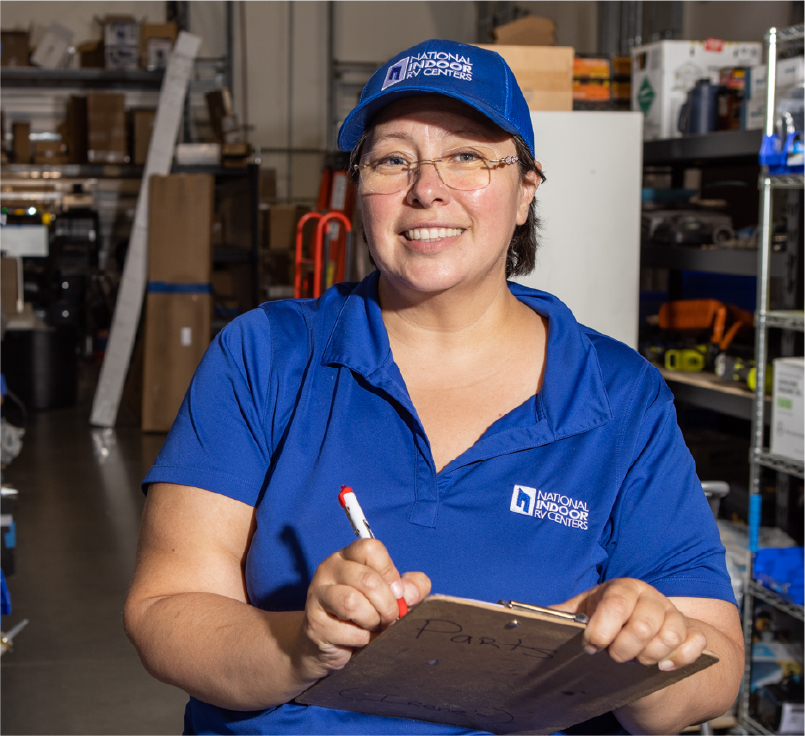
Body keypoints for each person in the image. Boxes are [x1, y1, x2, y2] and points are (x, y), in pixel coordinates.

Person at [124, 39, 744, 735]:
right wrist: (301, 645)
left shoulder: (618, 395)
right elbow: (166, 609)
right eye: (392, 159)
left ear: (524, 191)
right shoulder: (265, 355)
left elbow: (715, 662)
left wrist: (643, 659)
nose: (426, 188)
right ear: (360, 189)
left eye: (467, 156)